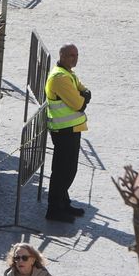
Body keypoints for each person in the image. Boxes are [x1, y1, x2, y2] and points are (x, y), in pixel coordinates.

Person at [43, 43, 89, 221]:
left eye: (76, 55)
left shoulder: (68, 73)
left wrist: (83, 95)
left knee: (69, 169)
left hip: (72, 129)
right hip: (64, 130)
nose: (75, 58)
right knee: (63, 170)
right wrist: (83, 97)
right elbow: (79, 103)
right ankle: (54, 209)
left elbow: (83, 90)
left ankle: (64, 202)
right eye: (71, 55)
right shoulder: (60, 78)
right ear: (61, 56)